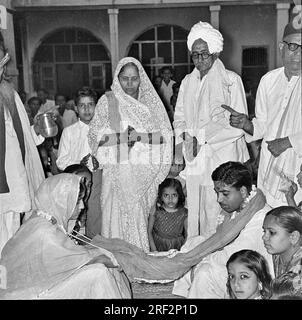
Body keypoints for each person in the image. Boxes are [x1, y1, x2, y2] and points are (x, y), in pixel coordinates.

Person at [173, 21, 249, 239]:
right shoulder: (188, 82)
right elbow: (179, 118)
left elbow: (238, 126)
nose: (199, 60)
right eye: (195, 55)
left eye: (204, 54)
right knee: (196, 210)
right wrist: (186, 137)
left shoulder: (231, 81)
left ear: (215, 53)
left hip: (222, 156)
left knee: (217, 212)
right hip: (195, 156)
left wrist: (203, 140)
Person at [88, 57, 172, 252]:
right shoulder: (107, 101)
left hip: (140, 174)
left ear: (141, 79)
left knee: (136, 217)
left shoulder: (149, 105)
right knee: (113, 215)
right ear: (117, 78)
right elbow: (94, 136)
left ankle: (137, 261)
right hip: (116, 172)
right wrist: (121, 139)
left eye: (134, 78)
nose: (129, 84)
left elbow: (163, 137)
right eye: (125, 78)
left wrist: (138, 137)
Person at [0, 173, 131, 299]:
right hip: (29, 295)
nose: (82, 206)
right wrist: (118, 260)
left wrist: (109, 255)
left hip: (39, 286)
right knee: (98, 272)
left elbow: (74, 254)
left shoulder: (42, 219)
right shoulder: (44, 231)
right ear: (60, 200)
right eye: (77, 201)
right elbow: (83, 260)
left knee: (105, 261)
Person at [226, 21, 302, 208]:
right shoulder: (268, 81)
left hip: (297, 164)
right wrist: (246, 124)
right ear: (281, 47)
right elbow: (262, 126)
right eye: (293, 47)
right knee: (268, 218)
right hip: (270, 164)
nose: (299, 55)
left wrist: (287, 142)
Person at [172, 161, 273, 298]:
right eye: (217, 193)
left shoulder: (260, 218)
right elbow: (216, 237)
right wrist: (192, 250)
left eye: (225, 193)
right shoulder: (238, 208)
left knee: (204, 272)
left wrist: (198, 258)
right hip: (233, 264)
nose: (219, 199)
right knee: (192, 245)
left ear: (243, 191)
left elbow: (234, 255)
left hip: (250, 275)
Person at [0, 43, 45, 256]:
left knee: (12, 238)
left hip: (13, 181)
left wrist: (36, 130)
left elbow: (22, 139)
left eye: (1, 66)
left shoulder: (10, 94)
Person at [57, 87, 103, 239]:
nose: (87, 109)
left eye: (90, 104)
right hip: (74, 180)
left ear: (96, 106)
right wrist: (79, 165)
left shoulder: (103, 131)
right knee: (74, 216)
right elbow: (61, 161)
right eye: (82, 105)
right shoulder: (69, 132)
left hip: (97, 179)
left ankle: (94, 243)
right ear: (76, 108)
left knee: (95, 214)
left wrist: (100, 163)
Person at [148, 178, 187, 252]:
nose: (170, 199)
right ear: (161, 197)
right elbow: (149, 231)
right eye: (166, 195)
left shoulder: (184, 213)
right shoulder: (156, 210)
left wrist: (181, 252)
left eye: (174, 195)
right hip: (157, 246)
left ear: (179, 195)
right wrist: (154, 250)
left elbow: (187, 235)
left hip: (177, 247)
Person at [262, 206, 302, 278]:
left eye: (271, 232)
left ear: (293, 237)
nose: (264, 237)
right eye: (264, 231)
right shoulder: (277, 256)